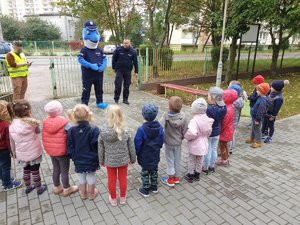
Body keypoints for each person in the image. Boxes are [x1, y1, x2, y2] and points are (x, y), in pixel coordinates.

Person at [8, 100, 47, 195]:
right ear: (28, 111)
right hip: (34, 152)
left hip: (21, 153)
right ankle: (39, 188)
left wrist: (13, 153)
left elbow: (11, 141)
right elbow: (38, 132)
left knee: (26, 170)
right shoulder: (32, 123)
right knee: (35, 171)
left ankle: (28, 187)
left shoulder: (12, 126)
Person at [99, 105, 136, 206]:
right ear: (121, 115)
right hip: (123, 160)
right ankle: (123, 199)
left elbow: (100, 147)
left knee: (111, 179)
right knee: (122, 178)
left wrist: (101, 160)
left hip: (110, 161)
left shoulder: (102, 131)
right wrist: (133, 158)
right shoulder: (126, 130)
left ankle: (113, 200)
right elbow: (131, 146)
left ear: (108, 116)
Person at [42, 100, 79, 196]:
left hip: (51, 151)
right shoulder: (64, 123)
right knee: (64, 171)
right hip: (62, 152)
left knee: (56, 168)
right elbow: (71, 134)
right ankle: (67, 188)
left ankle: (57, 187)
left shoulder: (45, 122)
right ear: (60, 110)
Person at [67, 104, 100, 200]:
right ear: (88, 115)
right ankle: (92, 194)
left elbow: (69, 146)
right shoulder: (94, 129)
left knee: (81, 176)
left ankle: (83, 194)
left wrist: (73, 156)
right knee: (91, 175)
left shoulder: (71, 130)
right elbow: (97, 146)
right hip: (92, 159)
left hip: (78, 159)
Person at [134, 104, 164, 197]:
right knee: (154, 170)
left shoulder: (141, 129)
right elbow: (161, 140)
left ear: (143, 115)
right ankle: (154, 186)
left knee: (145, 171)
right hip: (155, 153)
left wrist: (137, 152)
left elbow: (137, 143)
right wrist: (158, 147)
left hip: (144, 155)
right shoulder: (160, 127)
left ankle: (145, 188)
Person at [160, 96, 189, 187]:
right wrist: (182, 138)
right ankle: (176, 177)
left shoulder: (166, 116)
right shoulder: (183, 117)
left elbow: (160, 127)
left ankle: (170, 179)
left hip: (168, 142)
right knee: (177, 159)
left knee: (170, 160)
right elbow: (185, 130)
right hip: (178, 143)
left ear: (169, 107)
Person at [184, 98, 214, 183]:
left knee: (192, 159)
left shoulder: (194, 121)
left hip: (195, 144)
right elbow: (209, 132)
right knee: (200, 159)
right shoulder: (207, 119)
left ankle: (190, 175)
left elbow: (192, 133)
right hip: (204, 143)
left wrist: (186, 137)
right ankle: (197, 174)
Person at [78, 20, 107, 106]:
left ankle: (100, 102)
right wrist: (90, 65)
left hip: (98, 74)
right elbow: (80, 59)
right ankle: (84, 104)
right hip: (88, 75)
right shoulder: (84, 50)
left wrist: (103, 65)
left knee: (99, 89)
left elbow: (104, 58)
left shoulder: (99, 50)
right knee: (86, 89)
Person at [203, 87, 227, 174]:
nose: (207, 96)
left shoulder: (208, 109)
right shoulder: (224, 107)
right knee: (213, 149)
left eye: (208, 95)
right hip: (217, 131)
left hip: (209, 132)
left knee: (208, 150)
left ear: (212, 97)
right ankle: (212, 166)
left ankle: (205, 167)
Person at [0, 100, 22, 190]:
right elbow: (8, 140)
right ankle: (7, 184)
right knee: (6, 167)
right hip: (3, 150)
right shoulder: (5, 125)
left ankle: (4, 179)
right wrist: (12, 152)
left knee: (1, 165)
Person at [112, 39, 138, 105]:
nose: (124, 44)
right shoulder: (118, 50)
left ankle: (125, 99)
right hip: (119, 70)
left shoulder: (133, 51)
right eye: (124, 43)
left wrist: (136, 71)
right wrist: (113, 67)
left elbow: (135, 62)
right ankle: (116, 99)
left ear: (129, 43)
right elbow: (114, 59)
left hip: (128, 71)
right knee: (118, 85)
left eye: (126, 43)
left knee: (126, 86)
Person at [216, 89, 238, 166]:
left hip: (225, 131)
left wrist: (219, 130)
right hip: (228, 130)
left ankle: (224, 160)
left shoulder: (227, 109)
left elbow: (224, 122)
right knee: (224, 145)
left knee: (222, 146)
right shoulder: (230, 106)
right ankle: (226, 157)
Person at [245, 83, 271, 148]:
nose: (256, 91)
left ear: (262, 92)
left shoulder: (263, 101)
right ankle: (252, 138)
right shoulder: (260, 97)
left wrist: (257, 119)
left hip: (257, 118)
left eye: (258, 90)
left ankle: (258, 142)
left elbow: (260, 111)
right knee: (253, 128)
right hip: (255, 117)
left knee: (257, 129)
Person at [228, 83, 244, 154]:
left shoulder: (234, 103)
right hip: (235, 121)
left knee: (229, 135)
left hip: (231, 121)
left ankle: (229, 149)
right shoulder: (240, 100)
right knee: (232, 134)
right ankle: (231, 148)